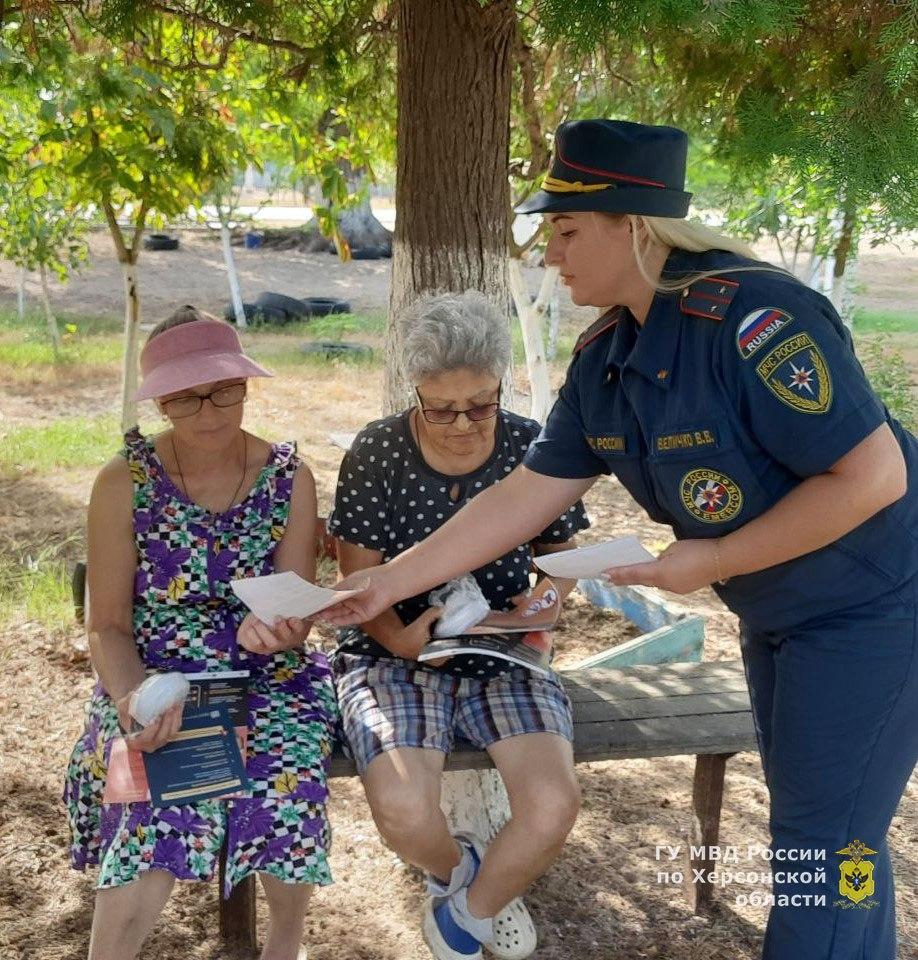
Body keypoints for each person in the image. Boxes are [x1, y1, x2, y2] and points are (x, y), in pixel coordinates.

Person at [322, 120, 918, 960]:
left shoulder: (756, 318)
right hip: (780, 614)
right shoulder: (609, 352)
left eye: (565, 232)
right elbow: (526, 494)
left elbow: (873, 478)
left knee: (824, 838)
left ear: (633, 227)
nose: (549, 255)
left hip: (875, 607)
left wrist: (702, 562)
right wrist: (386, 584)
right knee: (828, 826)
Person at [64, 307, 337, 960]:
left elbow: (294, 608)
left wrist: (285, 630)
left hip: (267, 676)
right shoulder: (123, 484)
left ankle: (284, 947)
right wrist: (133, 699)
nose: (210, 411)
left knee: (285, 775)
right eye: (186, 398)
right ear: (159, 401)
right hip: (158, 675)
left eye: (225, 390)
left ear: (246, 384)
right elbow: (106, 625)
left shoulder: (287, 477)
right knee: (158, 800)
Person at [327, 291, 589, 960]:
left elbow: (562, 557)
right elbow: (359, 579)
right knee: (407, 814)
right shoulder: (379, 451)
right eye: (442, 408)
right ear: (414, 391)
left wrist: (546, 599)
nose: (465, 423)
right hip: (392, 656)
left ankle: (467, 912)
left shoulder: (532, 445)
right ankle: (464, 871)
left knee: (553, 806)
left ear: (502, 384)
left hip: (501, 650)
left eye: (482, 403)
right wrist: (398, 638)